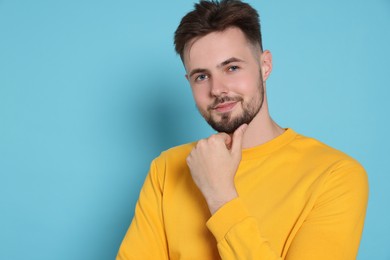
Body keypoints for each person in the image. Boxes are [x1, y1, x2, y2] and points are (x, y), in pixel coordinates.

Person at [116, 0, 368, 259]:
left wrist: (221, 195)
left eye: (232, 67)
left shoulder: (334, 175)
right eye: (201, 76)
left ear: (264, 66)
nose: (217, 89)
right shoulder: (167, 169)